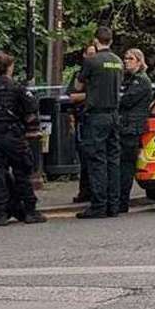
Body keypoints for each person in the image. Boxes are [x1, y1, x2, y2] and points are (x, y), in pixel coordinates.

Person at [0, 53, 47, 225]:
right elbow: (32, 110)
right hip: (13, 135)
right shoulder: (17, 88)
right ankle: (30, 211)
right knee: (22, 172)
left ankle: (1, 213)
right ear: (10, 67)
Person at [75, 27, 123, 219]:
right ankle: (113, 204)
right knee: (113, 160)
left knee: (97, 161)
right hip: (114, 115)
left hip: (96, 116)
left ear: (96, 40)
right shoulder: (118, 62)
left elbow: (78, 85)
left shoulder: (91, 61)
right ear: (110, 40)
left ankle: (99, 205)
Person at [119, 49, 152, 213]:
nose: (126, 61)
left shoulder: (141, 81)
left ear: (139, 61)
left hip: (132, 128)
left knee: (126, 165)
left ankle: (122, 201)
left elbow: (126, 100)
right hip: (126, 126)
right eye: (125, 58)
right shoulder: (130, 79)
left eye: (130, 59)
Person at [67, 44, 97, 203]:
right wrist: (91, 95)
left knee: (94, 156)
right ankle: (84, 191)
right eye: (89, 54)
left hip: (95, 118)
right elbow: (72, 96)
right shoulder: (79, 74)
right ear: (84, 56)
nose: (92, 57)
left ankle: (93, 191)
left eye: (95, 54)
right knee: (84, 157)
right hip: (81, 118)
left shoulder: (100, 74)